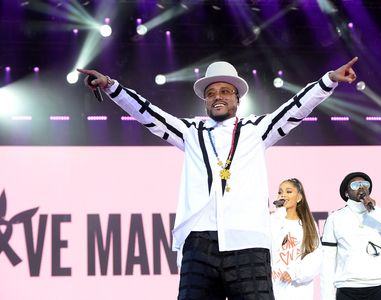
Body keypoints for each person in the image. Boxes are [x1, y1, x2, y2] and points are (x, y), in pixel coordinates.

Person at [78, 57, 358, 300]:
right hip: (200, 243)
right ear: (205, 100)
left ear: (238, 98)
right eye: (211, 93)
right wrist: (111, 86)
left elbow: (296, 108)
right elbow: (148, 114)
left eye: (225, 91)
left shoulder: (256, 130)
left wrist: (329, 79)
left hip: (247, 242)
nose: (218, 96)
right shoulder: (190, 132)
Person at [320, 172, 381, 300]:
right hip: (348, 288)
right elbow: (328, 260)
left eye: (365, 184)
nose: (361, 187)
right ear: (346, 193)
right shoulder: (335, 218)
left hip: (380, 285)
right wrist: (327, 297)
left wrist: (375, 210)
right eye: (355, 185)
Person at [271, 178, 322, 299]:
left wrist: (293, 273)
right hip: (274, 290)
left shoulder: (308, 225)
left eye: (288, 191)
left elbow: (315, 257)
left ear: (299, 197)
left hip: (299, 292)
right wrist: (279, 214)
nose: (283, 194)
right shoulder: (272, 221)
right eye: (280, 192)